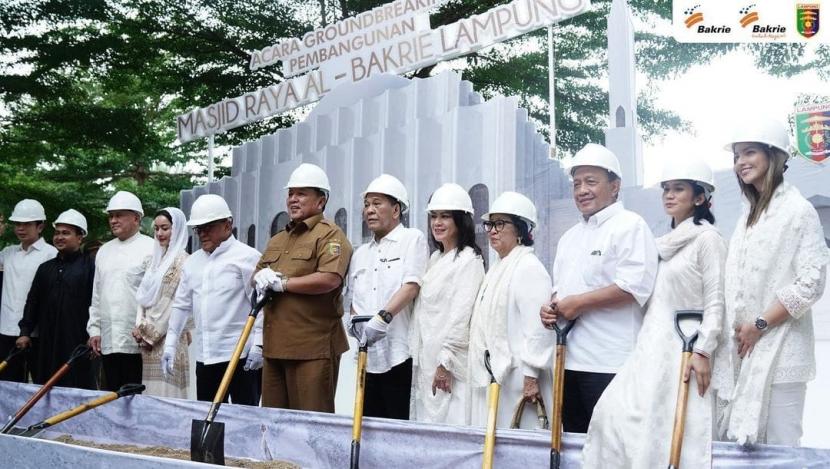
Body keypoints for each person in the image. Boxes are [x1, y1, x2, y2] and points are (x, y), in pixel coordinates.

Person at [582, 159, 734, 467]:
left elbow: (716, 301)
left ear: (700, 197)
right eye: (666, 189)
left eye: (679, 189)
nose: (669, 195)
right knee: (613, 416)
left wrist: (703, 351)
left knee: (675, 433)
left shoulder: (708, 240)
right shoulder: (658, 245)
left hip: (685, 348)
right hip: (649, 345)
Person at [723, 118, 830, 446]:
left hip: (784, 352)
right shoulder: (747, 217)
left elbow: (813, 281)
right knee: (750, 449)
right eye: (737, 155)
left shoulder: (798, 211)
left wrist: (760, 323)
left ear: (776, 157)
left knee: (783, 448)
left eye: (750, 152)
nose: (741, 162)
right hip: (747, 350)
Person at [540, 143, 658, 433]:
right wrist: (550, 309)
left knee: (614, 448)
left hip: (612, 364)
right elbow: (561, 293)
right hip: (568, 360)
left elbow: (635, 286)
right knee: (574, 445)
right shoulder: (569, 237)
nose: (582, 190)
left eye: (591, 182)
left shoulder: (630, 225)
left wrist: (579, 303)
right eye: (577, 183)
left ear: (615, 186)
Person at [252, 163, 353, 412]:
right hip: (275, 346)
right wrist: (260, 276)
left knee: (312, 425)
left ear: (321, 200)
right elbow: (258, 273)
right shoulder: (279, 238)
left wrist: (284, 284)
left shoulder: (330, 235)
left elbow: (330, 278)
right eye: (290, 194)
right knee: (274, 423)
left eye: (301, 194)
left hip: (312, 347)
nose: (293, 200)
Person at [162, 194, 262, 405]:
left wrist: (259, 345)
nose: (202, 233)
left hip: (241, 356)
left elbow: (261, 305)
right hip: (206, 356)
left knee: (245, 420)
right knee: (208, 418)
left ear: (228, 224)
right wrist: (170, 343)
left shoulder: (248, 257)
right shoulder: (193, 262)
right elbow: (181, 305)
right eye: (198, 229)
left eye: (208, 227)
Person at [468, 191, 554, 429]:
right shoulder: (499, 266)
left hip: (522, 381)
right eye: (490, 224)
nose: (493, 231)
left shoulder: (528, 267)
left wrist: (531, 377)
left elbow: (539, 329)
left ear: (521, 229)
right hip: (499, 377)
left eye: (500, 224)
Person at [346, 174, 428, 420]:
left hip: (399, 353)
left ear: (396, 209)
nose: (369, 210)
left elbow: (411, 285)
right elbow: (354, 300)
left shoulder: (411, 239)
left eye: (377, 203)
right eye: (367, 204)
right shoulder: (360, 253)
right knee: (367, 423)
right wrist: (354, 324)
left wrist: (383, 318)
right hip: (367, 355)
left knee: (397, 425)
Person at [409, 183, 485, 425]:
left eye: (445, 217)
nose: (437, 223)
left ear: (460, 221)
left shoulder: (469, 260)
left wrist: (445, 362)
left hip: (450, 366)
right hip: (427, 361)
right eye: (433, 216)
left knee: (452, 428)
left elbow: (462, 316)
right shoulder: (435, 258)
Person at [17, 209, 96, 388]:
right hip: (46, 341)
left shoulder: (90, 267)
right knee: (44, 384)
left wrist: (93, 334)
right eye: (57, 233)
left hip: (77, 341)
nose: (59, 237)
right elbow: (33, 301)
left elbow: (97, 303)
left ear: (80, 237)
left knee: (77, 385)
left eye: (66, 233)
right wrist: (25, 332)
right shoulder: (45, 268)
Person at [87, 191, 154, 391]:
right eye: (111, 216)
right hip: (108, 339)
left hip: (139, 340)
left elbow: (156, 297)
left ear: (136, 218)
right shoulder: (104, 251)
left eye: (119, 215)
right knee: (112, 395)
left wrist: (148, 330)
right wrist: (95, 329)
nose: (113, 220)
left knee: (137, 395)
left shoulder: (151, 248)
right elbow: (97, 295)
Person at [131, 208, 190, 398]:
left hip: (168, 338)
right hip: (148, 341)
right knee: (150, 394)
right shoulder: (153, 261)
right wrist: (139, 324)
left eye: (165, 228)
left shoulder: (182, 261)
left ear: (177, 229)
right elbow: (142, 296)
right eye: (156, 229)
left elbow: (171, 302)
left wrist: (146, 332)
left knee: (169, 394)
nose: (159, 234)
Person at [0, 199, 57, 382]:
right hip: (7, 328)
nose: (21, 228)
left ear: (40, 226)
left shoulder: (51, 254)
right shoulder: (8, 253)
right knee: (8, 383)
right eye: (17, 224)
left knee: (41, 381)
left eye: (26, 224)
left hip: (37, 330)